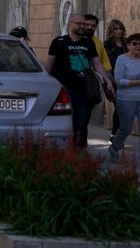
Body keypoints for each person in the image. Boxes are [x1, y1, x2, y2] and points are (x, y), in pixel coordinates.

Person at [44, 13, 113, 148]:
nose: (82, 26)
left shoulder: (89, 43)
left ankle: (78, 151)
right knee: (66, 122)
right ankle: (65, 150)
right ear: (70, 24)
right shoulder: (59, 42)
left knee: (81, 122)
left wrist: (107, 80)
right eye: (79, 24)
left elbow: (97, 64)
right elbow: (49, 65)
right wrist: (45, 83)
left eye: (84, 24)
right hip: (64, 89)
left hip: (83, 90)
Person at [108, 33, 140, 162]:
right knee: (126, 128)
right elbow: (119, 81)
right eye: (135, 43)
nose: (138, 46)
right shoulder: (122, 59)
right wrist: (137, 82)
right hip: (126, 99)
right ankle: (114, 147)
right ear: (128, 45)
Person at [105, 19, 128, 143]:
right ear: (112, 31)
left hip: (127, 80)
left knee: (123, 108)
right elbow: (106, 63)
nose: (119, 31)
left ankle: (116, 135)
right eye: (116, 29)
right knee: (119, 107)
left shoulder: (128, 44)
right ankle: (114, 135)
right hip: (112, 80)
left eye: (120, 28)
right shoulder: (107, 45)